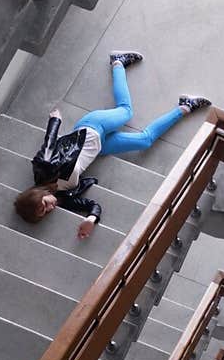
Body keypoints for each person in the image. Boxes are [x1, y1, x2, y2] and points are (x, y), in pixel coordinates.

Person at [13, 52, 211, 240]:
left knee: (126, 112)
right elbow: (91, 205)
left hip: (91, 128)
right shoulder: (63, 197)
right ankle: (185, 106)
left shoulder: (45, 168)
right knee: (145, 141)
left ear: (37, 195)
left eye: (44, 206)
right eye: (45, 213)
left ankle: (118, 63)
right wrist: (91, 219)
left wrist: (55, 120)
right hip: (99, 146)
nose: (50, 209)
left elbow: (49, 142)